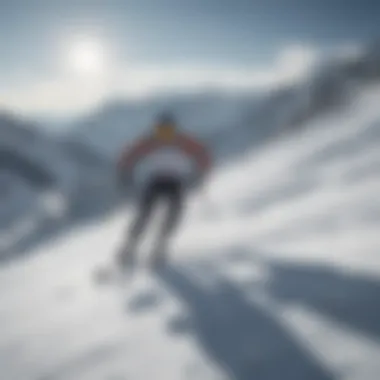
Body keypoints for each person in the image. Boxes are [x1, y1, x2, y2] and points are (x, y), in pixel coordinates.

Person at [116, 112, 212, 269]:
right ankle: (131, 247)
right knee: (146, 216)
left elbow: (202, 154)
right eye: (161, 130)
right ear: (157, 129)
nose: (164, 134)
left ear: (173, 129)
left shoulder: (179, 141)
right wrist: (125, 172)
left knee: (169, 216)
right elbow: (129, 155)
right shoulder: (155, 142)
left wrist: (200, 173)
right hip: (158, 181)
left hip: (173, 182)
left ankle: (157, 247)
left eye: (167, 130)